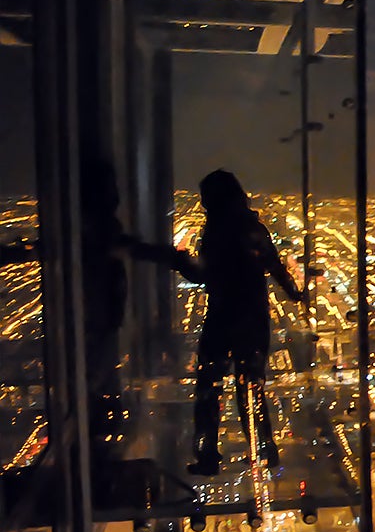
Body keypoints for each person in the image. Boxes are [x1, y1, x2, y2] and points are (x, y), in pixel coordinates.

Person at [126, 170, 304, 475]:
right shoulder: (252, 228)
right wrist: (295, 291)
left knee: (209, 389)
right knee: (250, 389)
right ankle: (263, 449)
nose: (203, 204)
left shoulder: (217, 231)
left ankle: (209, 454)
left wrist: (177, 261)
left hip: (223, 315)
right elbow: (272, 265)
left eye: (205, 197)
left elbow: (203, 274)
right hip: (252, 317)